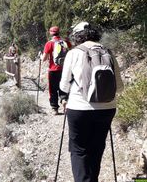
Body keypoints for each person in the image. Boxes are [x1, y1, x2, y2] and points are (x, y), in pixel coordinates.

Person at [59, 21, 124, 182]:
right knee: (97, 148)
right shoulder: (108, 52)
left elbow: (64, 85)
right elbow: (120, 87)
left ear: (77, 36)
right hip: (107, 108)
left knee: (79, 150)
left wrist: (63, 98)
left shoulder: (74, 53)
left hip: (79, 108)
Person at [40, 26, 71, 115]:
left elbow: (44, 59)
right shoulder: (66, 42)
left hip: (53, 70)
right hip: (64, 69)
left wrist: (40, 56)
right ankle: (64, 101)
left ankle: (55, 109)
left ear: (51, 33)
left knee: (53, 89)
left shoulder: (49, 43)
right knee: (64, 87)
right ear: (59, 32)